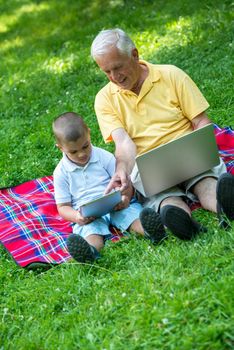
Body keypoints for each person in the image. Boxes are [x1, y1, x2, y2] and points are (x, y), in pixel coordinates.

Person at [91, 28, 234, 240]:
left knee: (207, 183)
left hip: (187, 151)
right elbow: (123, 143)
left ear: (134, 55)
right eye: (107, 72)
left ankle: (226, 207)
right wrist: (122, 170)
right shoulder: (104, 99)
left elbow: (200, 120)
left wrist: (203, 147)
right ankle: (184, 223)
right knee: (166, 200)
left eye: (118, 67)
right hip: (150, 167)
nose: (114, 77)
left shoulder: (171, 75)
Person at [52, 112, 166, 264]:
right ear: (60, 148)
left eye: (85, 146)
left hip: (115, 203)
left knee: (132, 216)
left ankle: (152, 231)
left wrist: (125, 198)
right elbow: (63, 207)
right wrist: (77, 217)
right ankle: (90, 251)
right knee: (91, 233)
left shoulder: (102, 156)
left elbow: (123, 181)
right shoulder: (61, 173)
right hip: (88, 214)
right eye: (73, 151)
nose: (81, 154)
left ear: (89, 134)